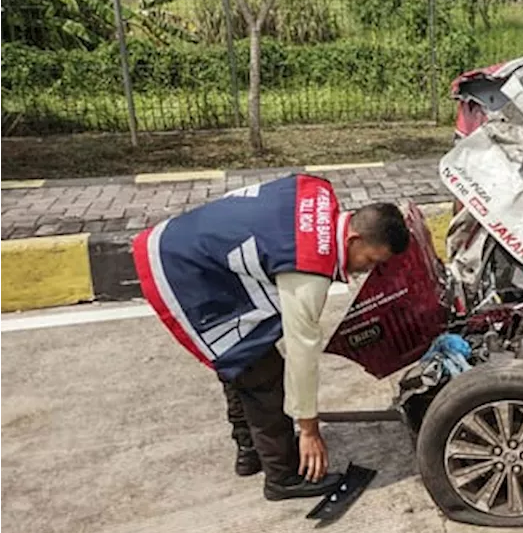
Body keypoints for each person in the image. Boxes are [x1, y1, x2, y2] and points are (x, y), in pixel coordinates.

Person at [131, 174, 410, 501]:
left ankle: (250, 450)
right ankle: (283, 477)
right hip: (185, 270)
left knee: (238, 354)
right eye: (370, 260)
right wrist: (309, 429)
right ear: (354, 239)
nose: (365, 270)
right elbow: (302, 353)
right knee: (260, 370)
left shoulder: (318, 194)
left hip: (184, 243)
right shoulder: (310, 271)